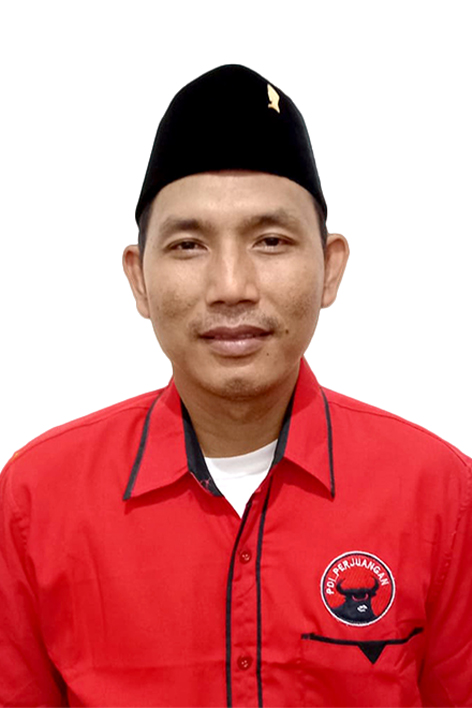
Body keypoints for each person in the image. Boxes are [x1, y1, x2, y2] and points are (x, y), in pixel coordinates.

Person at [0, 64, 470, 708]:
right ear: (139, 280)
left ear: (330, 268)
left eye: (270, 241)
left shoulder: (441, 496)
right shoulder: (35, 502)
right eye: (188, 245)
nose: (231, 286)